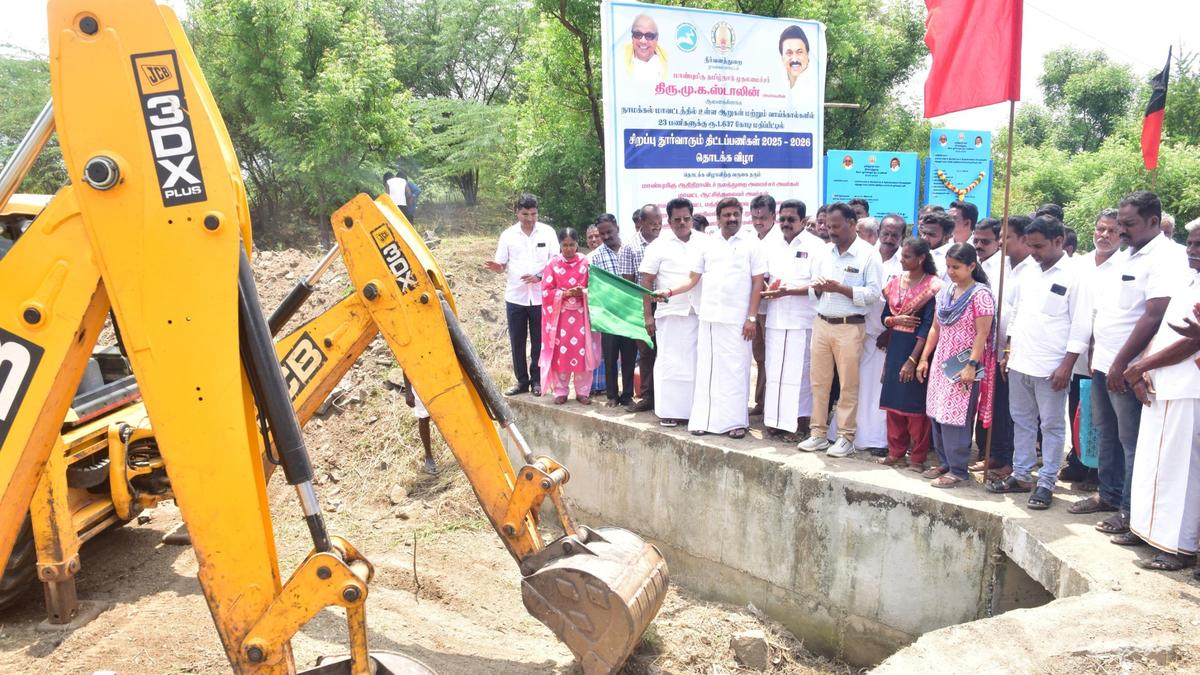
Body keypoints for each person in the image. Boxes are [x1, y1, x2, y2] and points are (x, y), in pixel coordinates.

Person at [1068, 192, 1189, 539]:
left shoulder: (1166, 257)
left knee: (1132, 441)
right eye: (1119, 223)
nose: (1121, 231)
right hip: (1105, 362)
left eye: (1128, 224)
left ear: (1153, 221)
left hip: (1131, 367)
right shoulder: (1126, 255)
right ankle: (1108, 494)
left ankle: (1131, 510)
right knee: (1106, 432)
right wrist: (1100, 356)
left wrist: (1123, 362)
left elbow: (1155, 314)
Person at [988, 216, 1087, 509]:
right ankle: (1021, 475)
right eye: (1030, 246)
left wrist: (1067, 365)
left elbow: (1081, 325)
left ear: (1059, 241)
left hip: (1051, 366)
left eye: (1039, 246)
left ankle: (1046, 483)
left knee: (1052, 426)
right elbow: (1018, 312)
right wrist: (1009, 350)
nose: (1033, 252)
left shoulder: (1076, 274)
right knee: (1021, 421)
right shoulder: (1028, 271)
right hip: (1021, 360)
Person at [1122, 222, 1200, 570]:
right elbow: (1164, 330)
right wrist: (1143, 367)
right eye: (1191, 244)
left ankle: (1179, 547)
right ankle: (1150, 533)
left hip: (1187, 387)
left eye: (1199, 245)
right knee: (1155, 465)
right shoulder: (1188, 280)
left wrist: (1141, 366)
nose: (1192, 250)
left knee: (1181, 471)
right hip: (1162, 384)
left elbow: (1191, 342)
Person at [654, 197, 765, 439]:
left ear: (741, 216)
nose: (732, 219)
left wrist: (752, 318)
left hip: (738, 321)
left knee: (735, 371)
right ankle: (704, 420)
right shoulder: (707, 244)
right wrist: (669, 292)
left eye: (736, 214)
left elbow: (758, 282)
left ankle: (735, 422)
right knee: (708, 371)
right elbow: (692, 279)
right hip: (709, 318)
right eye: (727, 215)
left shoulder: (751, 244)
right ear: (718, 218)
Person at [798, 202, 883, 457]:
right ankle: (818, 434)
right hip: (822, 323)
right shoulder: (824, 252)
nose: (830, 231)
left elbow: (874, 294)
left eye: (836, 226)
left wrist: (841, 289)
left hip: (850, 326)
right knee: (819, 382)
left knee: (848, 384)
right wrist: (818, 288)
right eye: (827, 226)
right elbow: (812, 286)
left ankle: (846, 436)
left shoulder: (868, 254)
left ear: (851, 224)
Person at [916, 244, 995, 488]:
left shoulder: (980, 295)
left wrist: (971, 365)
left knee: (956, 416)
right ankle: (945, 462)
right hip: (942, 360)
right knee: (937, 412)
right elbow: (935, 327)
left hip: (963, 362)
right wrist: (924, 357)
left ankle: (958, 470)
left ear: (971, 266)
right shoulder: (946, 291)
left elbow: (982, 334)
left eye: (956, 267)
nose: (951, 272)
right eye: (948, 266)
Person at [1061, 210, 1126, 486]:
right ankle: (1078, 460)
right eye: (1101, 229)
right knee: (1077, 408)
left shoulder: (1124, 265)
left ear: (1122, 234)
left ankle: (1098, 471)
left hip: (1104, 354)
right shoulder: (1080, 263)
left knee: (1101, 417)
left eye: (1112, 231)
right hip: (1076, 353)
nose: (1105, 235)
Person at [640, 197, 707, 427]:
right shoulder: (658, 246)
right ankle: (668, 411)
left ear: (692, 218)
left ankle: (695, 412)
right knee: (670, 364)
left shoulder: (705, 242)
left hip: (699, 312)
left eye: (686, 218)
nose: (682, 223)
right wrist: (647, 315)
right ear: (669, 221)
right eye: (677, 219)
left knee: (696, 364)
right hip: (669, 313)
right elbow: (646, 281)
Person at [878, 238, 942, 470]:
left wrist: (913, 360)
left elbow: (928, 326)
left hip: (917, 350)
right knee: (893, 402)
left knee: (915, 407)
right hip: (895, 347)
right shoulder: (895, 283)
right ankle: (895, 452)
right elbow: (884, 318)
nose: (902, 260)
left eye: (907, 256)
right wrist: (895, 320)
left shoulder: (933, 287)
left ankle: (917, 457)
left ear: (921, 258)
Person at [485, 194, 557, 397]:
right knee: (517, 341)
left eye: (533, 214)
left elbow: (555, 263)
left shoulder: (548, 233)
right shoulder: (508, 235)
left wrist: (539, 277)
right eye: (525, 214)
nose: (530, 219)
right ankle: (521, 381)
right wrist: (498, 267)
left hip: (541, 297)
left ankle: (537, 381)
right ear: (517, 213)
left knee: (539, 341)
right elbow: (501, 265)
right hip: (515, 297)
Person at [760, 199, 819, 440]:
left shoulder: (816, 246)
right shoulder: (770, 244)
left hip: (801, 321)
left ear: (803, 221)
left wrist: (788, 292)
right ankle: (775, 421)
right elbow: (763, 277)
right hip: (775, 318)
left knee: (800, 374)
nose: (785, 223)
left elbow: (819, 285)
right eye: (782, 219)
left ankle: (799, 424)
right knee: (775, 372)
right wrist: (767, 288)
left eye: (791, 219)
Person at [970, 215, 1022, 478]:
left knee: (1006, 408)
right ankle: (990, 453)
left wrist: (1007, 348)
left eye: (986, 241)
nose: (980, 245)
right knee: (988, 403)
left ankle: (1006, 459)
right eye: (976, 240)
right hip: (982, 347)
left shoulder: (1007, 267)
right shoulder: (975, 264)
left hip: (1004, 348)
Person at [538, 228, 598, 405]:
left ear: (577, 244)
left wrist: (583, 292)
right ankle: (560, 391)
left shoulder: (585, 262)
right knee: (560, 354)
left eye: (572, 244)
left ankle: (583, 392)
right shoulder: (553, 264)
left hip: (582, 316)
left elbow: (595, 288)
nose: (569, 249)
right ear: (560, 245)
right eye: (565, 245)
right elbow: (545, 291)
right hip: (560, 318)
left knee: (582, 352)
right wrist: (563, 294)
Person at [589, 214, 636, 407]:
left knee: (629, 355)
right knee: (610, 356)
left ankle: (627, 395)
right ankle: (612, 396)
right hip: (608, 314)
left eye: (609, 232)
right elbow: (595, 287)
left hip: (629, 313)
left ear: (617, 227)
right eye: (602, 234)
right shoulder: (595, 256)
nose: (606, 236)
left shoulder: (630, 249)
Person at [621, 204, 662, 412]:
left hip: (666, 305)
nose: (657, 227)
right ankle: (648, 397)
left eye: (659, 223)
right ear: (642, 223)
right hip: (642, 306)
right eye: (652, 223)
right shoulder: (630, 247)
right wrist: (641, 313)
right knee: (646, 352)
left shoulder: (666, 243)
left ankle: (665, 397)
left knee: (666, 351)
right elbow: (628, 283)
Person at [749, 194, 780, 416]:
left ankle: (772, 404)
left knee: (773, 357)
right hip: (754, 307)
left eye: (763, 217)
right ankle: (761, 401)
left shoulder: (780, 240)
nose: (758, 222)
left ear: (773, 216)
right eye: (755, 217)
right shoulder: (750, 239)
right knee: (759, 356)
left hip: (773, 308)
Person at [584, 223, 608, 396]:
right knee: (593, 346)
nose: (593, 240)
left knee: (608, 349)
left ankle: (606, 385)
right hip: (591, 308)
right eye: (590, 237)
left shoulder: (613, 254)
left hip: (609, 309)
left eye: (596, 236)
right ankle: (592, 386)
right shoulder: (586, 260)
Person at [402, 374, 439, 475]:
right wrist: (408, 391)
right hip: (419, 381)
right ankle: (429, 457)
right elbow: (406, 367)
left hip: (438, 377)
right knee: (423, 418)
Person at [625, 14, 667, 81]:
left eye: (649, 36)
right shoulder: (619, 57)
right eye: (638, 34)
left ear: (657, 38)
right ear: (632, 36)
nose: (643, 41)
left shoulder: (667, 60)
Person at [919, 211, 954, 275]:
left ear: (947, 237)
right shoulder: (917, 253)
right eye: (923, 233)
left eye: (931, 235)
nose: (925, 238)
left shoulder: (954, 258)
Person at [878, 215, 906, 280]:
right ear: (878, 232)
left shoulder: (907, 261)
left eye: (894, 236)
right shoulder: (866, 253)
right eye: (885, 234)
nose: (889, 240)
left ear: (903, 237)